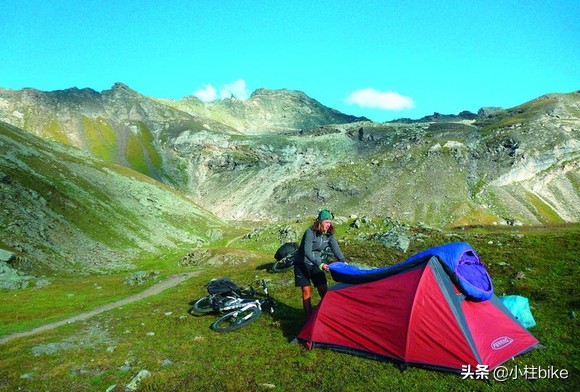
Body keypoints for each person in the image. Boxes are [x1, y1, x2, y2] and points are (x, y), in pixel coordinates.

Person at [294, 209, 347, 317]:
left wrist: (343, 261)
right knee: (306, 292)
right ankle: (309, 319)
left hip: (316, 263)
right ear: (320, 221)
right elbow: (307, 252)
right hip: (302, 263)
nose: (329, 225)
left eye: (330, 222)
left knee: (323, 290)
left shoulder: (329, 234)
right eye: (326, 222)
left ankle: (327, 315)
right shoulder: (310, 232)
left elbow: (335, 248)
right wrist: (320, 264)